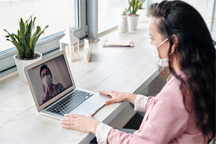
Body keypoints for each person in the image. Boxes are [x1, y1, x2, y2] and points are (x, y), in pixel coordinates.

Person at [60, 0, 216, 144]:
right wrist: (130, 97)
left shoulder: (177, 92)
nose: (151, 44)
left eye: (152, 37)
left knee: (91, 139)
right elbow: (169, 112)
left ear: (173, 43)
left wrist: (95, 127)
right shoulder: (201, 74)